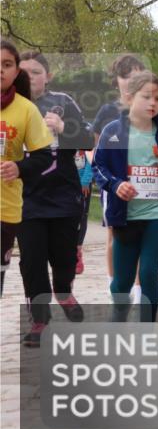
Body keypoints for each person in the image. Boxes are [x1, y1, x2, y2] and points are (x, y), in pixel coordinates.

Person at [93, 71, 158, 323]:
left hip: (156, 214)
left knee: (149, 272)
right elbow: (98, 167)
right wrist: (115, 185)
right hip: (124, 216)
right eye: (146, 97)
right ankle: (118, 317)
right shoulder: (113, 131)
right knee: (121, 282)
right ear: (129, 98)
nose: (153, 103)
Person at [18, 51, 92, 345]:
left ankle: (63, 290)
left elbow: (88, 138)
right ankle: (39, 320)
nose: (28, 77)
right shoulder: (8, 107)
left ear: (47, 77)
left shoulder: (63, 102)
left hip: (63, 195)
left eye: (35, 72)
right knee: (32, 261)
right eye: (22, 72)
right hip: (25, 199)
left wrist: (64, 129)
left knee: (63, 259)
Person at [1, 41, 55, 302]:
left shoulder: (26, 109)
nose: (0, 69)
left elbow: (44, 157)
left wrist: (19, 167)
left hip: (5, 209)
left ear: (15, 72)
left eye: (7, 64)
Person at [93, 53, 145, 301]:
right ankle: (114, 284)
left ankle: (138, 287)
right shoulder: (107, 112)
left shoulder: (150, 109)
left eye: (137, 76)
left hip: (145, 182)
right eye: (126, 76)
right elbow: (95, 151)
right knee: (114, 233)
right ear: (117, 81)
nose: (131, 81)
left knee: (140, 233)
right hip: (114, 184)